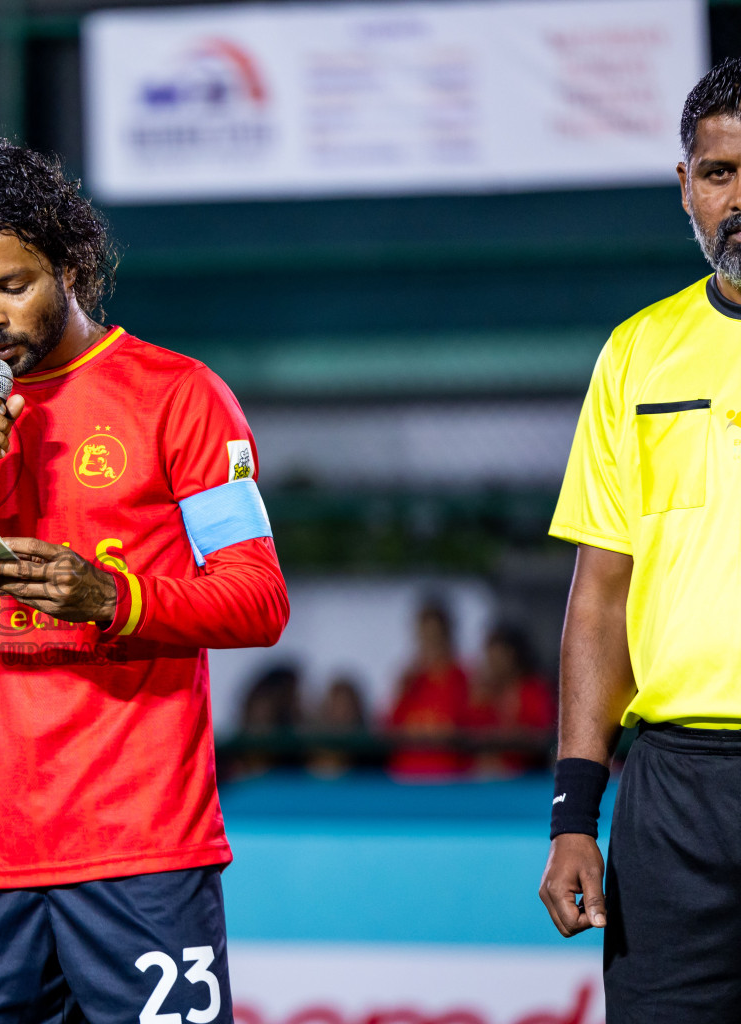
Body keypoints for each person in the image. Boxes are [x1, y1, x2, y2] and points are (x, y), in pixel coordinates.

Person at [0, 138, 290, 1022]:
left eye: (11, 284)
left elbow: (260, 598)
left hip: (142, 851)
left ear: (69, 265)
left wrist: (114, 596)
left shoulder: (180, 395)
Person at [538, 57, 741, 1022]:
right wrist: (576, 815)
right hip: (675, 796)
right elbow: (600, 600)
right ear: (687, 188)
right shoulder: (635, 354)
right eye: (720, 173)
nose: (740, 198)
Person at [385, 599, 469, 777]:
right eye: (425, 636)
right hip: (407, 775)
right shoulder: (408, 680)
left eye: (435, 636)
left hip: (449, 777)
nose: (430, 644)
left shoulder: (464, 679)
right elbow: (389, 727)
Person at [465, 625, 554, 775]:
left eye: (497, 657)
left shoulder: (534, 690)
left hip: (527, 779)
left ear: (513, 655)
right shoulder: (482, 694)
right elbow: (470, 735)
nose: (492, 663)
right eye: (489, 656)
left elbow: (541, 736)